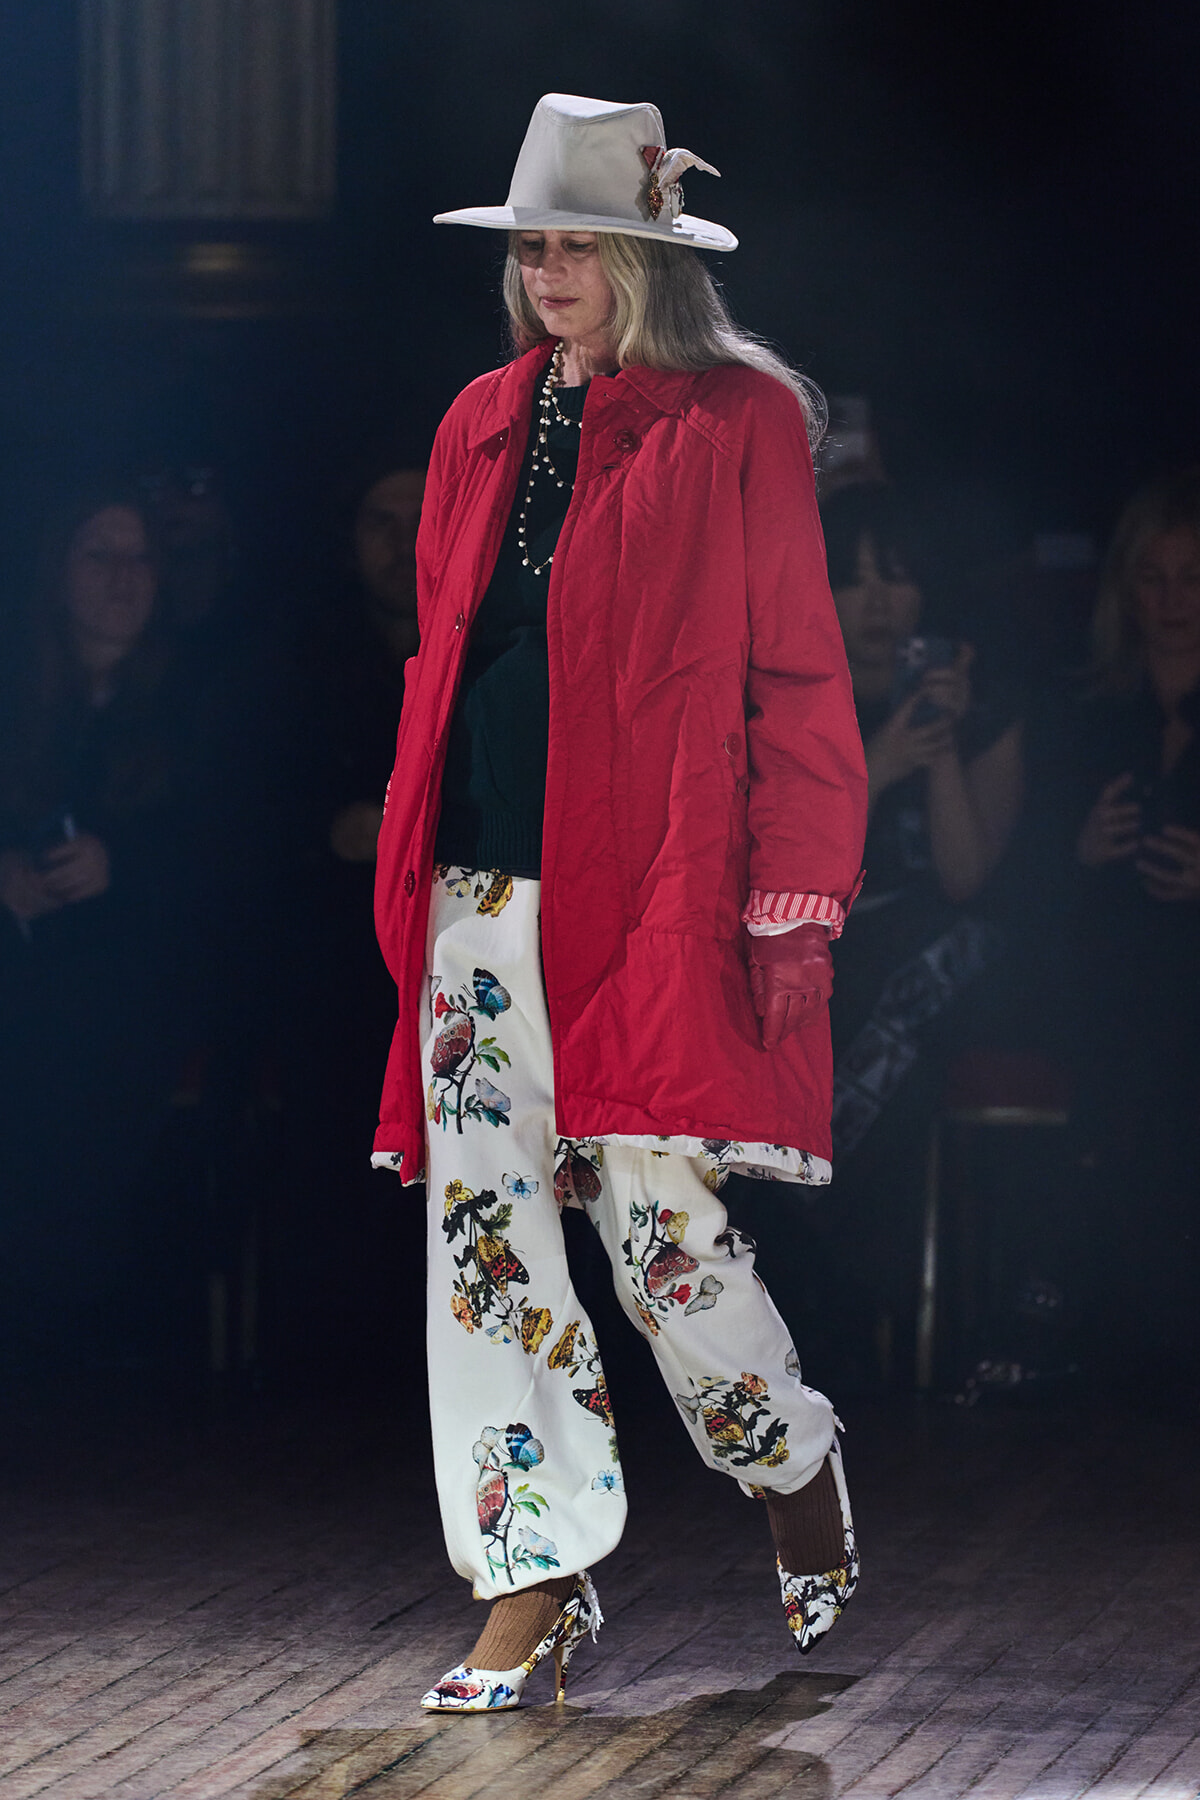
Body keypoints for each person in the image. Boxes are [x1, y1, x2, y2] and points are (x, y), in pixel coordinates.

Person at [371, 94, 868, 1711]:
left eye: (581, 239)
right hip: (480, 893)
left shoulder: (741, 420)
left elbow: (795, 666)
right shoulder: (475, 424)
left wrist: (794, 899)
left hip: (650, 891)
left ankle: (786, 1456)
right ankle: (533, 1571)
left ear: (649, 252)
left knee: (665, 1249)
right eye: (534, 242)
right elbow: (451, 656)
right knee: (486, 1245)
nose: (551, 268)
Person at [809, 483, 1023, 1384]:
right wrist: (882, 762)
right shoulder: (793, 706)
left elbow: (968, 876)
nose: (879, 605)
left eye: (895, 581)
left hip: (942, 959)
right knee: (867, 1019)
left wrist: (937, 745)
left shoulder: (982, 708)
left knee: (921, 963)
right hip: (827, 951)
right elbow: (791, 869)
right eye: (855, 582)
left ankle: (850, 1309)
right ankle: (851, 1314)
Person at [0, 489, 196, 1364]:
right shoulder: (18, 696)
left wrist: (128, 864)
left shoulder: (192, 701)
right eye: (99, 555)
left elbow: (227, 855)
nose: (124, 578)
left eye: (139, 556)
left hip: (129, 1000)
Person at [1067, 467, 1200, 1379]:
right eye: (1153, 579)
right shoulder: (1092, 710)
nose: (1171, 601)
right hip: (1111, 973)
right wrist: (1082, 848)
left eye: (1191, 579)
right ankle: (1124, 1341)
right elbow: (1023, 889)